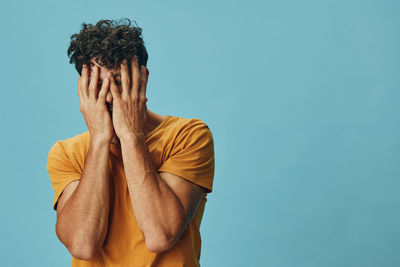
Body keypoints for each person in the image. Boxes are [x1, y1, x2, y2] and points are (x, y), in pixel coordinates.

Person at [46, 18, 215, 267]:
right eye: (98, 85)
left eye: (118, 82)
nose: (109, 96)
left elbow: (161, 235)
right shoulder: (66, 153)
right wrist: (101, 140)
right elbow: (83, 245)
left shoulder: (189, 135)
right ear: (82, 88)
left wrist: (131, 136)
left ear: (143, 78)